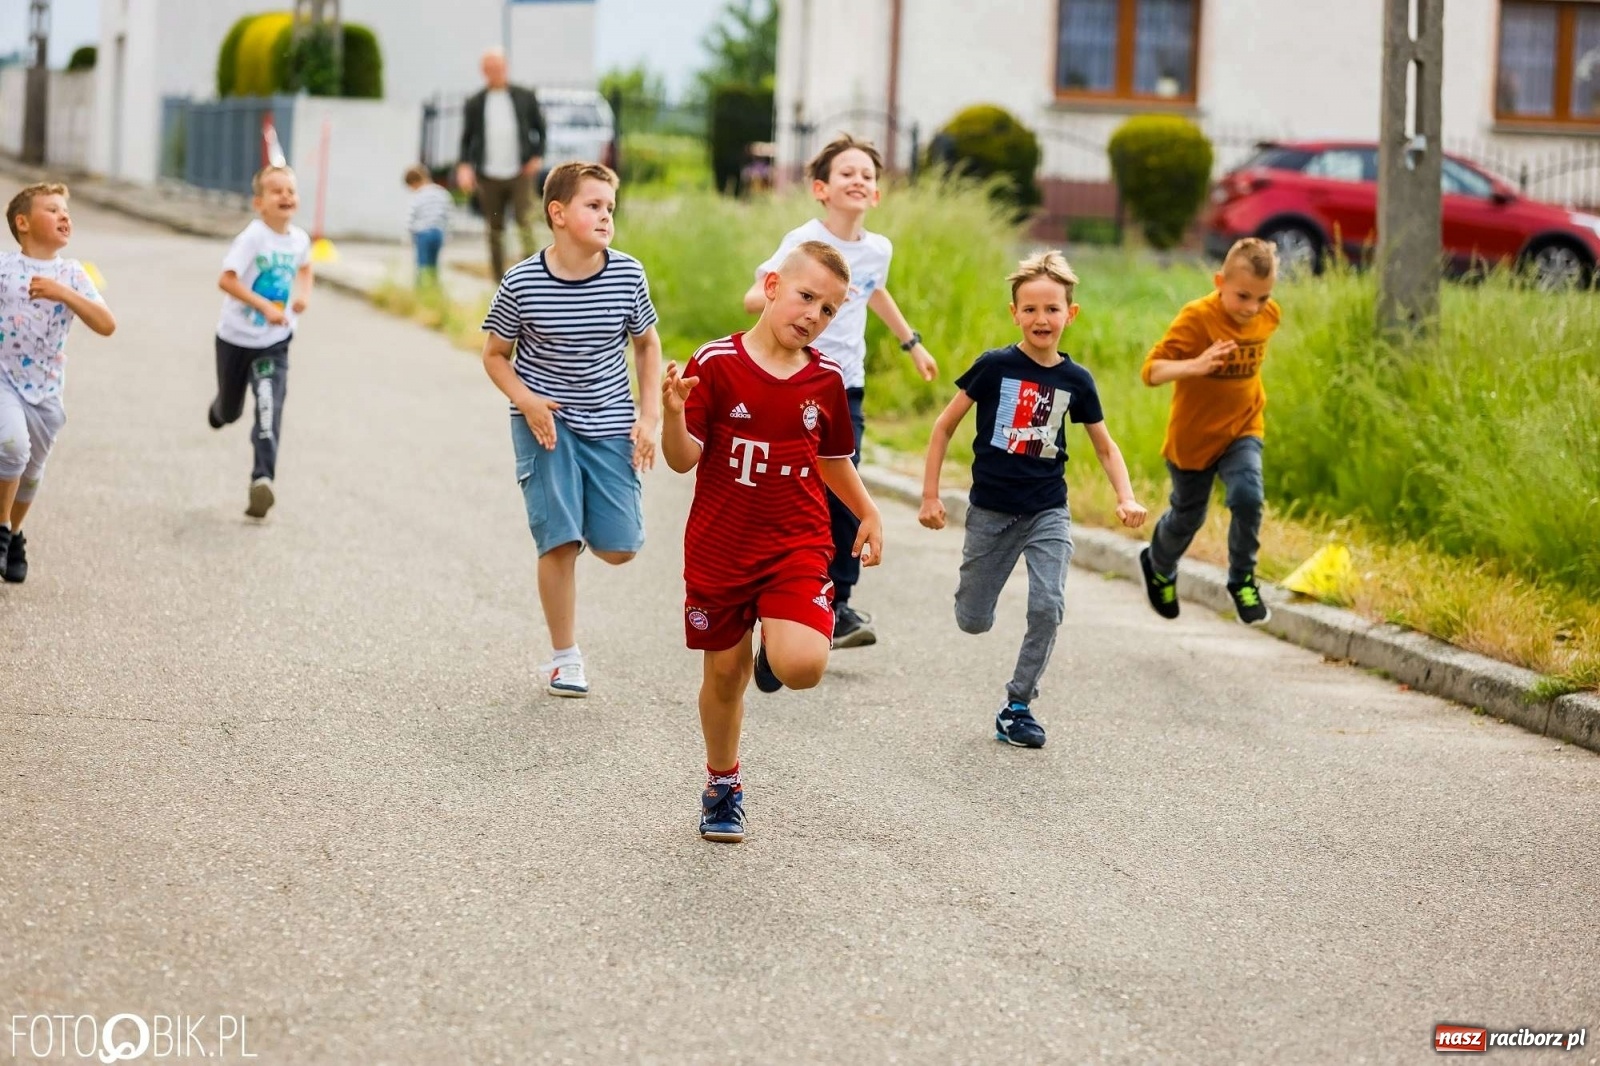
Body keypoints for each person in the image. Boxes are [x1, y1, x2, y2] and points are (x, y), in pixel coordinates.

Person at [664, 240, 884, 843]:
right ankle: (722, 784)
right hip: (721, 546)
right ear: (771, 287)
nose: (814, 314)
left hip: (796, 543)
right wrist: (672, 414)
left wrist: (868, 511)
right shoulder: (716, 362)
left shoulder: (826, 379)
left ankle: (779, 637)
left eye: (829, 309)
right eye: (806, 296)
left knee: (803, 666)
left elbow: (833, 459)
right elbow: (682, 459)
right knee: (724, 676)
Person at [919, 251, 1145, 749]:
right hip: (991, 511)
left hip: (1047, 509)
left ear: (1071, 313)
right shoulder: (994, 366)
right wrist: (930, 495)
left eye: (1052, 309)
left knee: (1048, 605)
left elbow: (1105, 446)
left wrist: (1125, 497)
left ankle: (1017, 705)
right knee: (972, 620)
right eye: (1031, 309)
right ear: (1014, 313)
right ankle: (974, 603)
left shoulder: (1076, 380)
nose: (1042, 319)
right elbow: (943, 427)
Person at [743, 134, 936, 651]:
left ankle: (837, 604)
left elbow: (874, 290)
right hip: (793, 383)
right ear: (821, 189)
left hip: (844, 387)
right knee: (795, 490)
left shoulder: (878, 249)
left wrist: (912, 344)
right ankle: (775, 591)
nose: (858, 180)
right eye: (847, 172)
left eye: (867, 175)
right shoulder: (803, 241)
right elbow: (757, 294)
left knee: (847, 491)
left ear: (876, 193)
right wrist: (798, 296)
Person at [480, 162, 662, 698]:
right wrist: (526, 400)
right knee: (558, 542)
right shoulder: (522, 282)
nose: (606, 216)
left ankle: (575, 517)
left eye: (610, 208)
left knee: (620, 548)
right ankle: (565, 659)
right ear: (557, 214)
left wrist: (649, 417)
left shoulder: (627, 275)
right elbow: (494, 355)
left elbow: (647, 344)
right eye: (593, 206)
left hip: (610, 420)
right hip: (545, 423)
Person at [1137, 237, 1281, 626]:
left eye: (1263, 298)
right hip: (1194, 438)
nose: (1252, 308)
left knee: (1248, 496)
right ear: (1220, 282)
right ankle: (1159, 565)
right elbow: (1151, 371)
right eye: (1243, 296)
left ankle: (1242, 579)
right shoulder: (1197, 318)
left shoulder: (1269, 316)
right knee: (1188, 517)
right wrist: (1195, 365)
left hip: (1243, 427)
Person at [0, 182, 117, 583]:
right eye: (52, 210)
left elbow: (107, 324)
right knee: (11, 446)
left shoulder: (72, 273)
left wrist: (64, 293)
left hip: (46, 391)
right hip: (4, 380)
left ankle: (14, 533)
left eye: (65, 211)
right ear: (23, 223)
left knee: (31, 472)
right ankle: (1, 531)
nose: (63, 215)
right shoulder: (5, 268)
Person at [208, 164, 313, 520]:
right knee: (231, 411)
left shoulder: (300, 240)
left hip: (274, 341)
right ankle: (219, 409)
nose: (286, 196)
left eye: (291, 190)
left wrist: (303, 296)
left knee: (269, 405)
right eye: (276, 190)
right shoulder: (253, 238)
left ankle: (262, 479)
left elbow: (306, 267)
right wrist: (264, 306)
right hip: (235, 338)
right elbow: (226, 280)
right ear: (259, 203)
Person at [456, 48, 546, 283]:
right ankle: (499, 281)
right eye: (490, 68)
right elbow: (466, 138)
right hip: (489, 176)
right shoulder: (476, 102)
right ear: (483, 71)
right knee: (495, 228)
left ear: (506, 68)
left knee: (524, 221)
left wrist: (537, 156)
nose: (495, 72)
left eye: (499, 67)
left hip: (520, 173)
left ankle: (533, 278)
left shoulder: (524, 96)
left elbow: (541, 128)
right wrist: (464, 166)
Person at [403, 164, 453, 286]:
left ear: (414, 183)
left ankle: (421, 288)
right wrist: (447, 233)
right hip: (438, 233)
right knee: (433, 263)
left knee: (422, 264)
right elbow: (448, 213)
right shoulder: (441, 192)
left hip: (423, 233)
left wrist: (408, 233)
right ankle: (434, 287)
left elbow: (411, 215)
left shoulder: (418, 195)